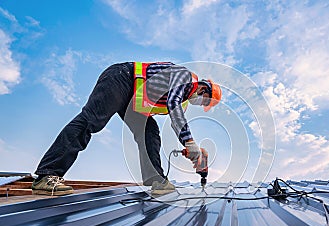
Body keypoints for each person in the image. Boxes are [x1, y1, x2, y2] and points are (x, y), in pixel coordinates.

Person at [31, 61, 222, 196]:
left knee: (150, 132)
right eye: (205, 101)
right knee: (92, 120)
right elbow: (174, 106)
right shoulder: (184, 76)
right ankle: (47, 175)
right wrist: (190, 142)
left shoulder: (185, 97)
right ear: (203, 90)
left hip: (133, 99)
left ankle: (157, 181)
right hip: (122, 77)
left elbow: (175, 117)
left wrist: (190, 146)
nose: (201, 103)